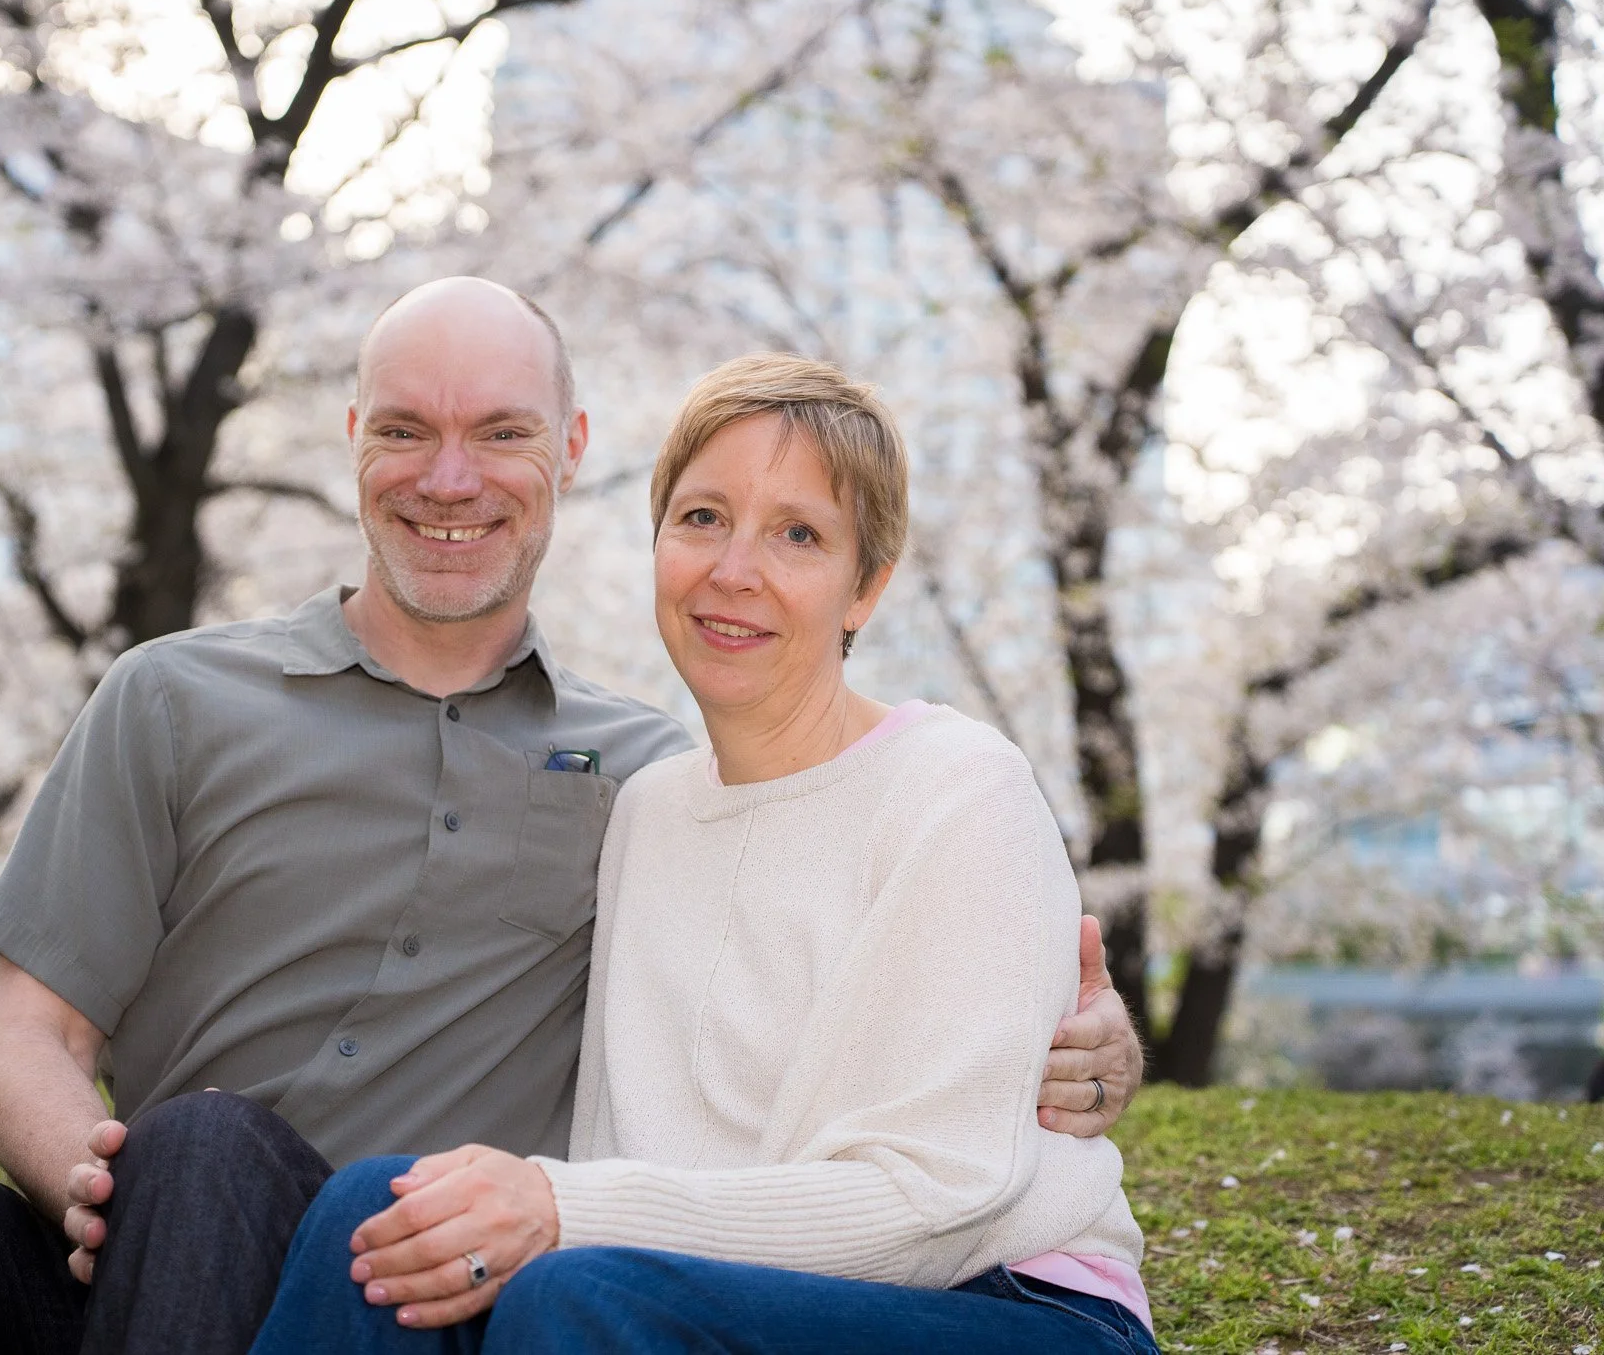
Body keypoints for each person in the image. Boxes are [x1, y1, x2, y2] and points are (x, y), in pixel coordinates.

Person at [0, 282, 1141, 1355]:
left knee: (230, 1152)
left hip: (386, 1283)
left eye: (502, 435)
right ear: (354, 443)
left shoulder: (638, 770)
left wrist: (1069, 1040)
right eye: (407, 430)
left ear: (568, 460)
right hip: (129, 1250)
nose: (449, 478)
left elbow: (863, 892)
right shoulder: (178, 697)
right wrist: (94, 1189)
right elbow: (25, 1037)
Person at [248, 354, 1155, 1354]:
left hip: (1006, 1304)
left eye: (797, 535)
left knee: (576, 1296)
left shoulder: (956, 787)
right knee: (377, 1208)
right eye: (702, 519)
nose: (732, 572)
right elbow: (621, 1153)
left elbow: (932, 1207)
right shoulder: (645, 812)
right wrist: (542, 1215)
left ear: (865, 588)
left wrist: (562, 1209)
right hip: (675, 1296)